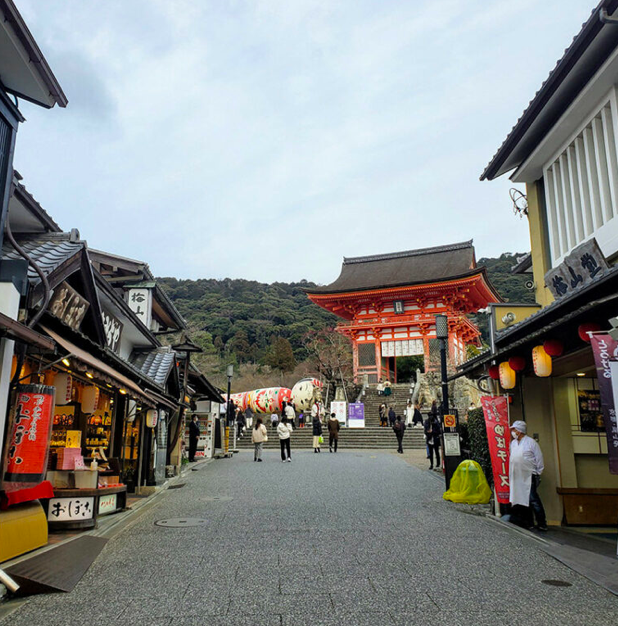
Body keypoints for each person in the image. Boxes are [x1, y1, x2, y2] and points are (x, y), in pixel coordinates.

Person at [509, 420, 547, 531]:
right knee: (521, 499)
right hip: (517, 475)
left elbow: (539, 459)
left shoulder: (531, 443)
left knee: (533, 499)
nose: (513, 431)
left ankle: (542, 523)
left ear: (519, 431)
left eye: (514, 429)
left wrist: (538, 472)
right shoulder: (513, 443)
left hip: (529, 475)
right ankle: (528, 522)